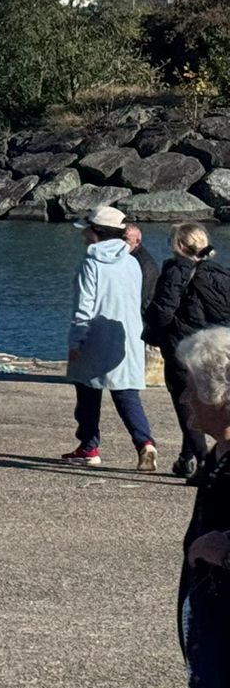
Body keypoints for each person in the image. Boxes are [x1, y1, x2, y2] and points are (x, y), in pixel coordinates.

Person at [171, 327, 230, 688]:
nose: (185, 398)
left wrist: (224, 547)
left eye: (193, 388)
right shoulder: (220, 452)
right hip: (215, 623)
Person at [64, 204, 157, 472]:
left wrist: (75, 341)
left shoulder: (91, 263)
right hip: (126, 334)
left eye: (87, 231)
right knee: (126, 394)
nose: (84, 236)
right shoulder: (132, 262)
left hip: (95, 334)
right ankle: (144, 442)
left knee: (87, 391)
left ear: (97, 232)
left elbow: (84, 305)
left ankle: (89, 447)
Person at [151, 225, 230, 481]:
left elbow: (163, 310)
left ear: (180, 245)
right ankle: (187, 458)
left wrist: (156, 329)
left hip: (182, 344)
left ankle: (204, 463)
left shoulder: (177, 270)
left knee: (186, 405)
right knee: (215, 404)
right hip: (215, 348)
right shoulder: (220, 273)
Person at [129, 223, 162, 313]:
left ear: (137, 241)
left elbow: (145, 294)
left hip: (142, 311)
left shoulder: (143, 263)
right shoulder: (130, 257)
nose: (123, 243)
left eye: (127, 240)